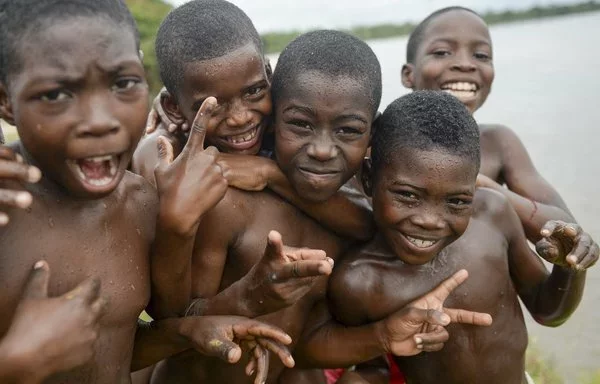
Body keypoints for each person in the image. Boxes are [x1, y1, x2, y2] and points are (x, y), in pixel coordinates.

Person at [148, 30, 493, 384]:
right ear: (272, 114)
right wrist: (249, 298)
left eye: (348, 131)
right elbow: (172, 323)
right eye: (299, 124)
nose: (323, 150)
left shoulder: (366, 198)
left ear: (371, 135)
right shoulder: (225, 202)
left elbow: (308, 342)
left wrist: (384, 338)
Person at [0, 1, 294, 382]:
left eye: (123, 84)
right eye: (57, 95)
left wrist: (187, 332)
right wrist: (17, 363)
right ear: (6, 100)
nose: (101, 121)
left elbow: (115, 347)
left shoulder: (140, 202)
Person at [324, 91, 595, 383]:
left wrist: (569, 269)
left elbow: (548, 312)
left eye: (456, 202)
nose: (430, 221)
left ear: (474, 188)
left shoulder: (494, 216)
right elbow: (371, 368)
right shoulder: (359, 282)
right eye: (408, 195)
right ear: (368, 178)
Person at [133, 0, 373, 241]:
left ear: (269, 76)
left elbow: (368, 223)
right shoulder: (165, 150)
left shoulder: (288, 121)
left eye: (253, 91)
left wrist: (268, 173)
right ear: (173, 108)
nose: (240, 118)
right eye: (213, 105)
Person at [400, 6, 598, 262]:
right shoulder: (380, 143)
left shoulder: (496, 143)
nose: (465, 64)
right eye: (442, 52)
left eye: (481, 55)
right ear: (408, 75)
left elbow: (565, 232)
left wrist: (480, 184)